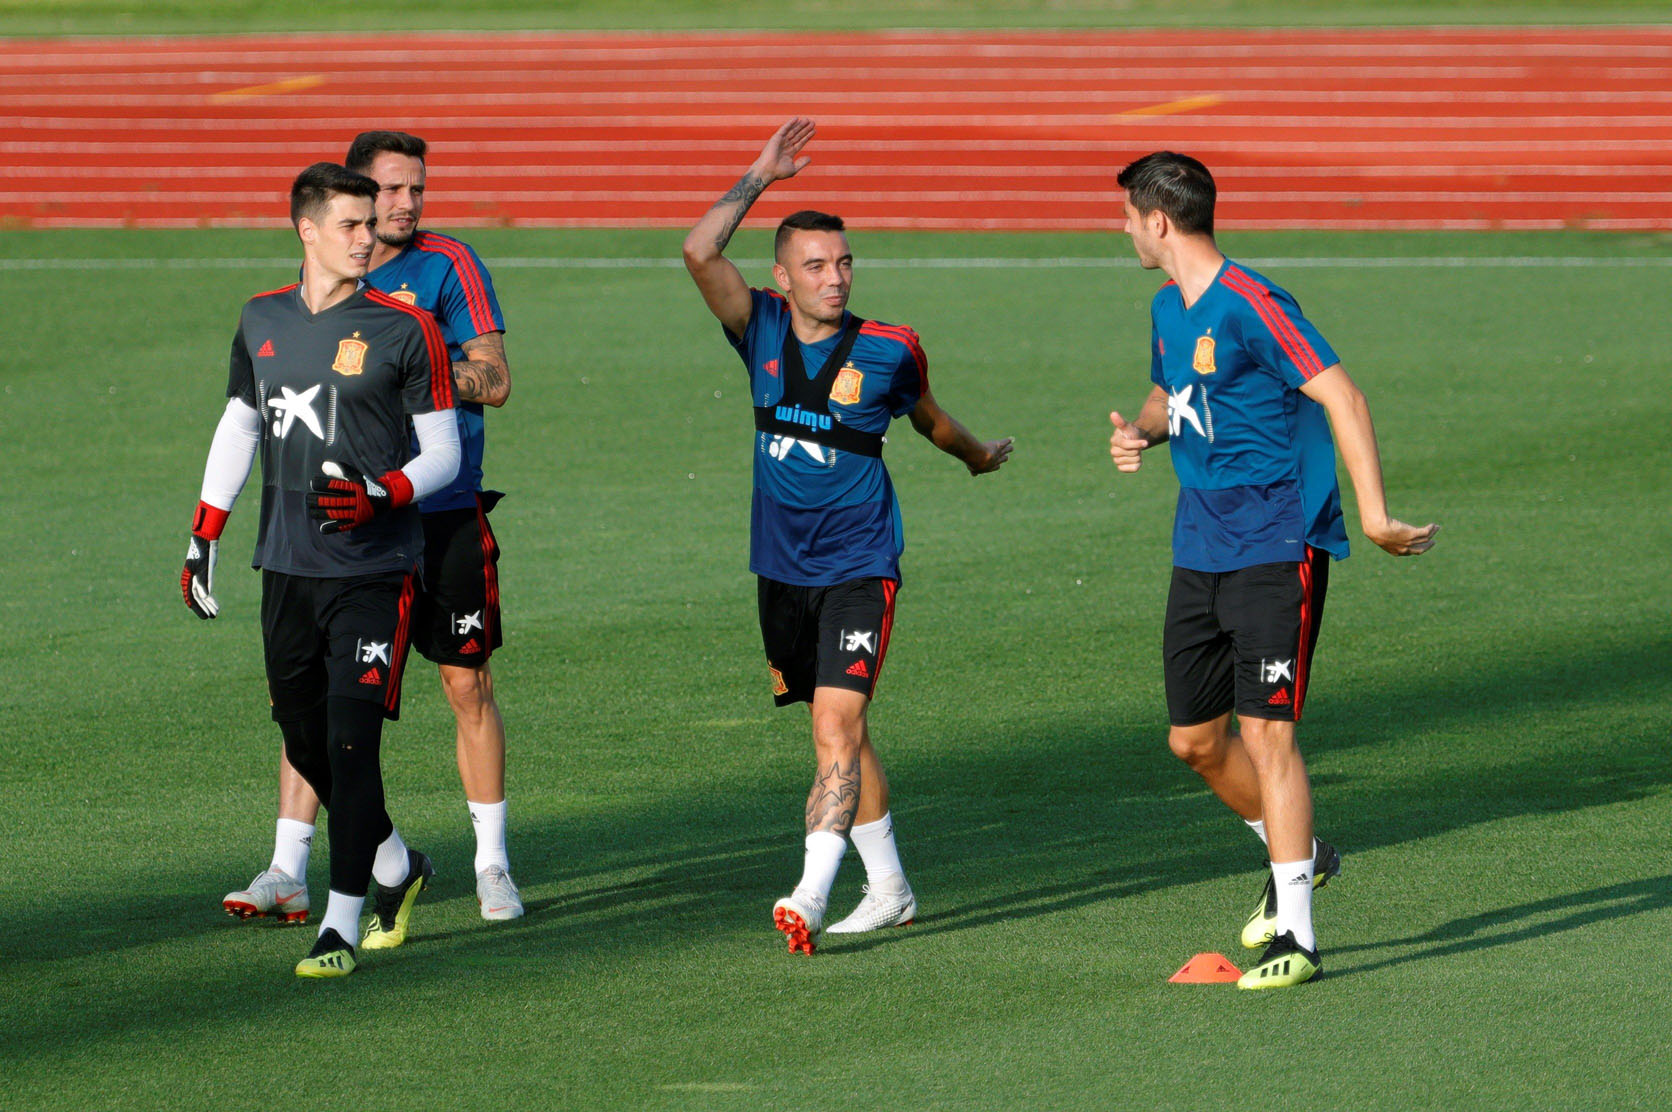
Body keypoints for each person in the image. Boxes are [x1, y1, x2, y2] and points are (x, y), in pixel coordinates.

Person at [1107, 151, 1439, 989]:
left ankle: (1299, 935)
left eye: (1125, 216)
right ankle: (1303, 853)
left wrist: (1371, 516)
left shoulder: (1254, 302)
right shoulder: (1165, 308)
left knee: (1268, 734)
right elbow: (1167, 394)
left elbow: (1342, 395)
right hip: (1200, 548)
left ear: (1158, 220)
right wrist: (1142, 430)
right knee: (1193, 740)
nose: (1121, 229)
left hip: (1277, 544)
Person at [682, 118, 1013, 955]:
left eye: (844, 262)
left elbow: (931, 420)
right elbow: (696, 251)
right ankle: (892, 887)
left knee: (838, 724)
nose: (836, 278)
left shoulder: (890, 349)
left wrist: (977, 456)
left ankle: (812, 891)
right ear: (782, 277)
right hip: (780, 569)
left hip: (862, 565)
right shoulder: (754, 327)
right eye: (817, 266)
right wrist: (760, 174)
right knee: (841, 733)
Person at [221, 130, 524, 925]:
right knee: (316, 693)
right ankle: (289, 865)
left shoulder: (445, 266)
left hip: (443, 508)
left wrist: (408, 364)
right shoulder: (321, 276)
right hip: (341, 531)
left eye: (417, 189)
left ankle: (491, 862)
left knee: (466, 682)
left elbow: (494, 380)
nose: (406, 205)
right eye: (389, 191)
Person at [182, 162, 459, 977]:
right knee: (303, 740)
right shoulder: (260, 318)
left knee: (347, 746)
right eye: (351, 225)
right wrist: (206, 531)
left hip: (375, 569)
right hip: (286, 566)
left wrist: (385, 493)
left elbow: (441, 451)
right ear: (307, 231)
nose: (369, 238)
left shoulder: (407, 331)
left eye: (371, 225)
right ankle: (399, 867)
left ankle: (339, 926)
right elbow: (240, 423)